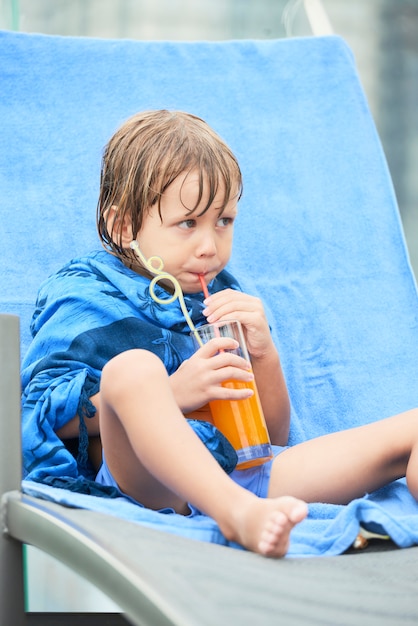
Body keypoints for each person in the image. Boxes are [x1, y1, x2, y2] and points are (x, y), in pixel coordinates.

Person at [21, 110, 418, 559]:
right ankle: (236, 515)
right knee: (134, 369)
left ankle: (243, 506)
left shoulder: (223, 294)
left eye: (224, 221)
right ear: (123, 227)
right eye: (188, 224)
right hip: (147, 482)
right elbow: (42, 415)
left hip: (244, 474)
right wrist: (171, 393)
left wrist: (263, 353)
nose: (210, 245)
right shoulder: (84, 292)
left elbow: (274, 432)